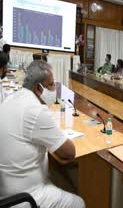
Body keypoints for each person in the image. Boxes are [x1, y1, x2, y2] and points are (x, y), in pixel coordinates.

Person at [0, 60, 85, 207]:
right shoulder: (35, 110)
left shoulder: (11, 98)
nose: (54, 89)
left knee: (57, 175)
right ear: (38, 88)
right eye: (51, 85)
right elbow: (69, 152)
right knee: (79, 203)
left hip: (7, 186)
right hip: (25, 196)